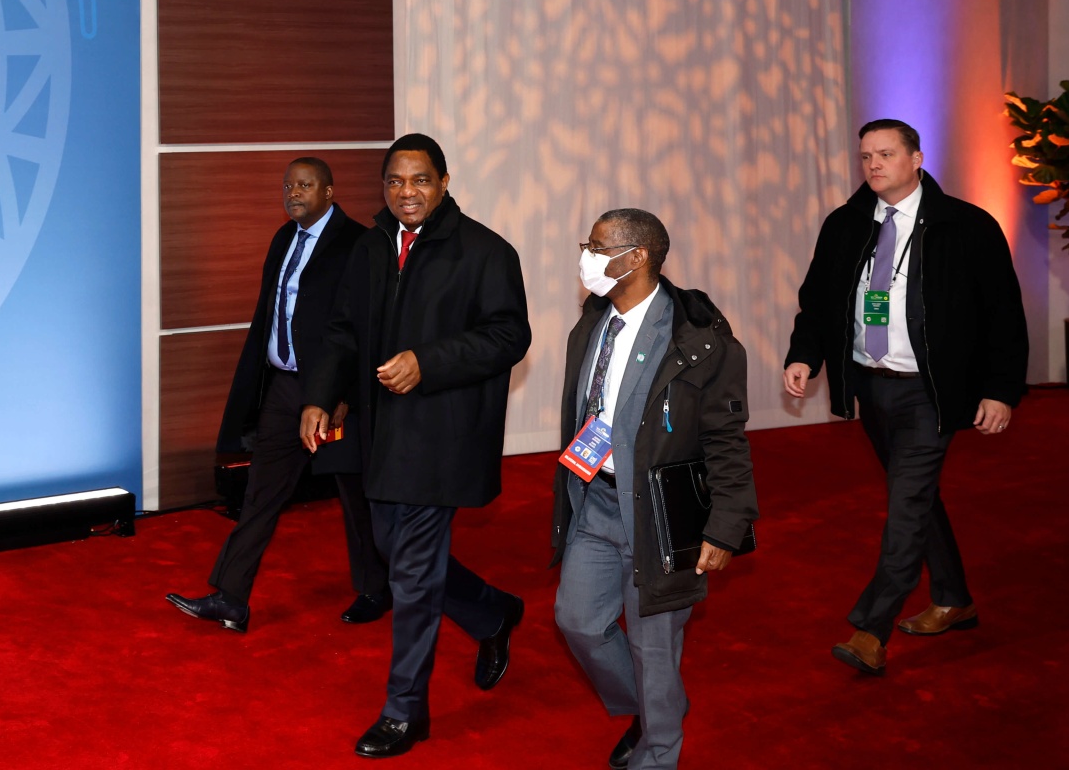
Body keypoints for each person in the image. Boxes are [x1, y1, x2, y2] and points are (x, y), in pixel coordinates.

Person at [299, 134, 530, 759]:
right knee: (392, 550)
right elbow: (344, 331)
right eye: (396, 182)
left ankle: (406, 711)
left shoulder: (484, 251)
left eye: (420, 180)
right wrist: (320, 396)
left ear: (445, 181)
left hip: (443, 434)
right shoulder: (371, 247)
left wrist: (428, 362)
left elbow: (509, 335)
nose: (407, 192)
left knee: (412, 574)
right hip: (381, 432)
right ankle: (491, 613)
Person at [783, 118, 1028, 676]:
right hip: (872, 386)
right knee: (914, 498)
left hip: (931, 392)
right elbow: (818, 301)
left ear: (917, 158)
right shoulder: (845, 225)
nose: (873, 164)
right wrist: (805, 355)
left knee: (905, 506)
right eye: (866, 155)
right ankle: (953, 598)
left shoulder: (966, 226)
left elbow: (1003, 316)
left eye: (886, 154)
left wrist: (1000, 390)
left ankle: (871, 628)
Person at [552, 209, 756, 770]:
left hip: (663, 516)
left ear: (636, 257)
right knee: (578, 621)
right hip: (596, 501)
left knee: (654, 649)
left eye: (597, 246)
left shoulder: (700, 341)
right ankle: (654, 704)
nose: (586, 256)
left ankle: (658, 750)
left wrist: (725, 525)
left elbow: (726, 441)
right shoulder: (594, 322)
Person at [166, 157, 385, 632]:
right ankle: (231, 598)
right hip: (285, 388)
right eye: (288, 186)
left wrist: (340, 391)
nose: (293, 193)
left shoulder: (356, 243)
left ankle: (375, 588)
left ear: (329, 192)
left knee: (354, 494)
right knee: (261, 493)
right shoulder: (284, 237)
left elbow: (361, 327)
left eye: (305, 185)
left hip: (332, 394)